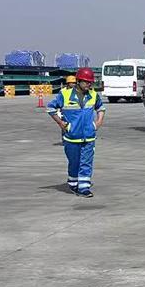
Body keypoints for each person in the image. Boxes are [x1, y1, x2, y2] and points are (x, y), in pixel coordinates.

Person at [46, 68, 106, 196]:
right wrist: (61, 123)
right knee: (74, 162)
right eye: (86, 82)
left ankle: (84, 188)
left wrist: (98, 122)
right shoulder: (65, 95)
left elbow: (101, 108)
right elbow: (50, 108)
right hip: (72, 137)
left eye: (90, 82)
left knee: (86, 162)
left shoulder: (93, 95)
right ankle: (73, 183)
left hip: (89, 137)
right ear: (78, 81)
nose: (89, 84)